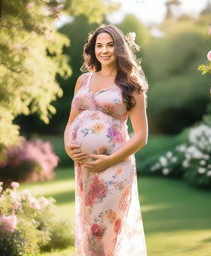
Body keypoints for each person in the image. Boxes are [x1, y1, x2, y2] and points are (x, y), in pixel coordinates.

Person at [64, 23, 148, 256]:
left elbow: (141, 136)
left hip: (116, 166)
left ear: (118, 48)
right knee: (90, 228)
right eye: (99, 46)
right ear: (93, 50)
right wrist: (69, 147)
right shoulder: (83, 81)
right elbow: (71, 121)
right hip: (85, 167)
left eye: (110, 45)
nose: (104, 50)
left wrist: (108, 160)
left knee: (104, 229)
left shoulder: (131, 86)